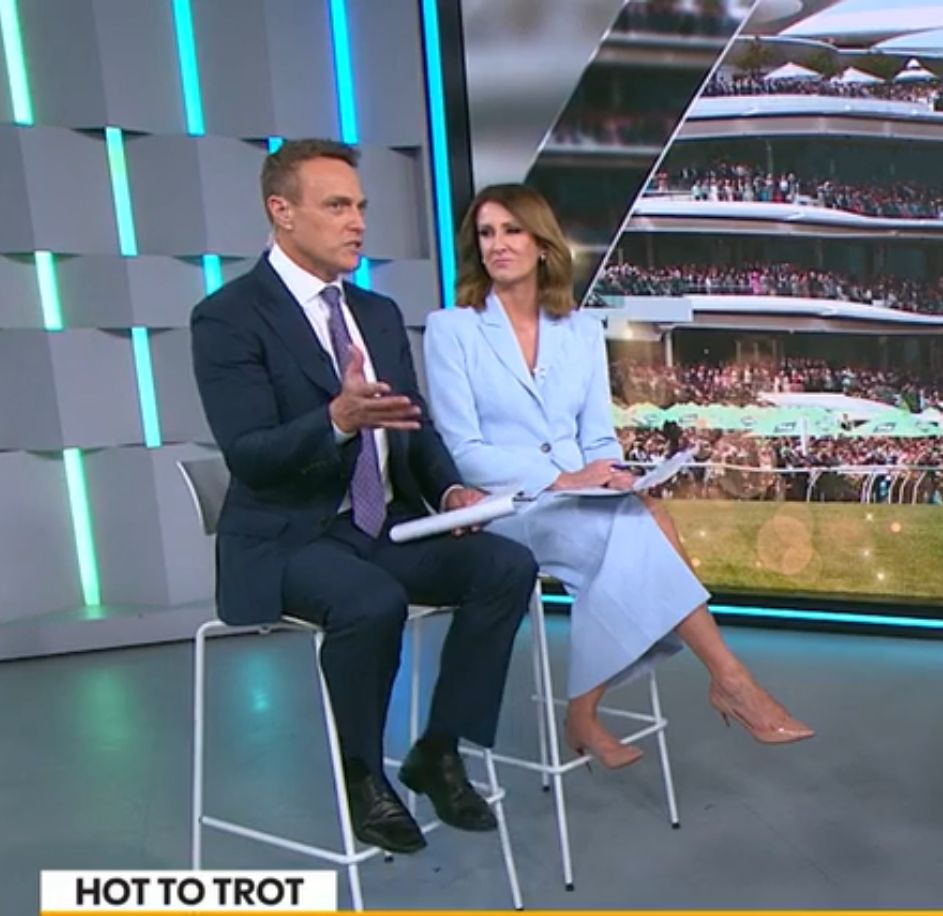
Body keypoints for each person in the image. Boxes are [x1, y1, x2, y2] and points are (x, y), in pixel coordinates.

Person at [190, 141, 537, 855]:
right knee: (370, 602)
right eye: (337, 206)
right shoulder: (228, 317)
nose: (357, 222)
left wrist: (450, 490)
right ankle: (362, 775)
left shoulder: (376, 314)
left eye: (361, 206)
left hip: (383, 528)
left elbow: (415, 427)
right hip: (287, 537)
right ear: (281, 212)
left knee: (506, 567)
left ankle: (438, 750)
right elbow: (249, 455)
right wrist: (336, 419)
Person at [424, 183, 813, 769]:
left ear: (542, 244)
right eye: (486, 233)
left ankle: (591, 712)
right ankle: (726, 679)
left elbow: (598, 435)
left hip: (577, 497)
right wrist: (562, 479)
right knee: (644, 527)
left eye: (512, 230)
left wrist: (613, 473)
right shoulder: (451, 329)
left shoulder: (580, 330)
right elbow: (465, 450)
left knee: (643, 513)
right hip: (508, 505)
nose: (497, 244)